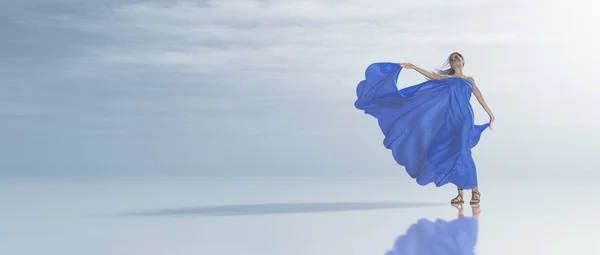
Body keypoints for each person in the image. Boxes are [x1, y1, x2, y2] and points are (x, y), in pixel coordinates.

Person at [354, 52, 495, 204]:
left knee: (463, 152)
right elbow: (431, 75)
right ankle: (460, 194)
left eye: (457, 58)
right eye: (452, 59)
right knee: (451, 152)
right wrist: (414, 67)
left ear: (463, 61)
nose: (455, 60)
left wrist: (491, 115)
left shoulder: (469, 80)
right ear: (451, 63)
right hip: (450, 120)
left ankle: (475, 190)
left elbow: (480, 98)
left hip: (465, 118)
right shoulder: (447, 79)